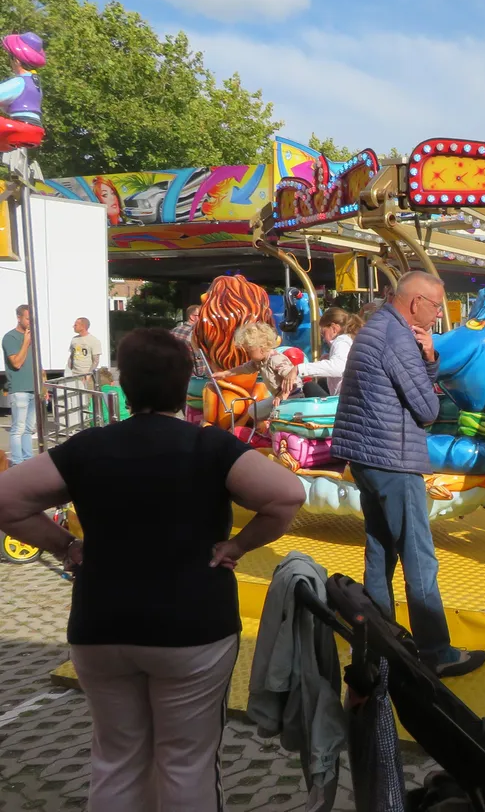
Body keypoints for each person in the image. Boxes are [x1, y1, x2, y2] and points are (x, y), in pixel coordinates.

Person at [0, 327, 304, 810]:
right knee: (186, 762)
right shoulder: (210, 447)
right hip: (193, 628)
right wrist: (238, 545)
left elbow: (7, 499)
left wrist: (64, 546)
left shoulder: (87, 447)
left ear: (125, 385)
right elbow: (288, 494)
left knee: (116, 759)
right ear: (184, 383)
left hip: (101, 625)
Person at [332, 271, 485, 677]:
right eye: (437, 306)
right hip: (393, 459)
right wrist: (431, 359)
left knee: (379, 551)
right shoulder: (398, 338)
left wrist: (427, 362)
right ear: (416, 302)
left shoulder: (375, 327)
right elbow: (427, 409)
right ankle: (436, 651)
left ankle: (382, 641)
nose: (438, 316)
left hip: (366, 457)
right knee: (418, 556)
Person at [213, 323, 298, 432]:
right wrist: (225, 374)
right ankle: (264, 429)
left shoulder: (276, 360)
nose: (248, 355)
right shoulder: (260, 361)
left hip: (292, 396)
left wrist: (283, 396)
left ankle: (275, 434)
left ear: (261, 348)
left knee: (276, 416)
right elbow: (244, 368)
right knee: (253, 411)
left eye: (249, 351)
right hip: (278, 397)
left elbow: (292, 379)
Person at [297, 307, 360, 397]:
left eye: (323, 333)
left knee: (309, 386)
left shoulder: (341, 340)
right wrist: (330, 357)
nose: (323, 338)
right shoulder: (351, 338)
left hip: (346, 396)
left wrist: (300, 369)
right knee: (322, 381)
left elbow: (339, 367)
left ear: (334, 328)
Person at [4, 304, 37, 466]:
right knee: (18, 428)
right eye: (27, 318)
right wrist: (25, 342)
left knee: (28, 429)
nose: (30, 322)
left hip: (33, 388)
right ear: (19, 318)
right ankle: (17, 463)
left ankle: (28, 462)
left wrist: (42, 384)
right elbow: (16, 363)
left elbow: (37, 363)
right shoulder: (10, 338)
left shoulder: (33, 337)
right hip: (19, 389)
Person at [172, 303, 211, 378]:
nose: (205, 318)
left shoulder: (174, 331)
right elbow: (200, 367)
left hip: (175, 375)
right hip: (193, 378)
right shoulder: (196, 333)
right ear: (192, 317)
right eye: (202, 315)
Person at [66, 317, 102, 386]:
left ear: (83, 326)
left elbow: (95, 361)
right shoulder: (74, 339)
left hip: (86, 376)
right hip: (74, 376)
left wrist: (88, 375)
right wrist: (69, 372)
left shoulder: (94, 341)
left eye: (76, 325)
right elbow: (71, 357)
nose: (73, 326)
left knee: (86, 396)